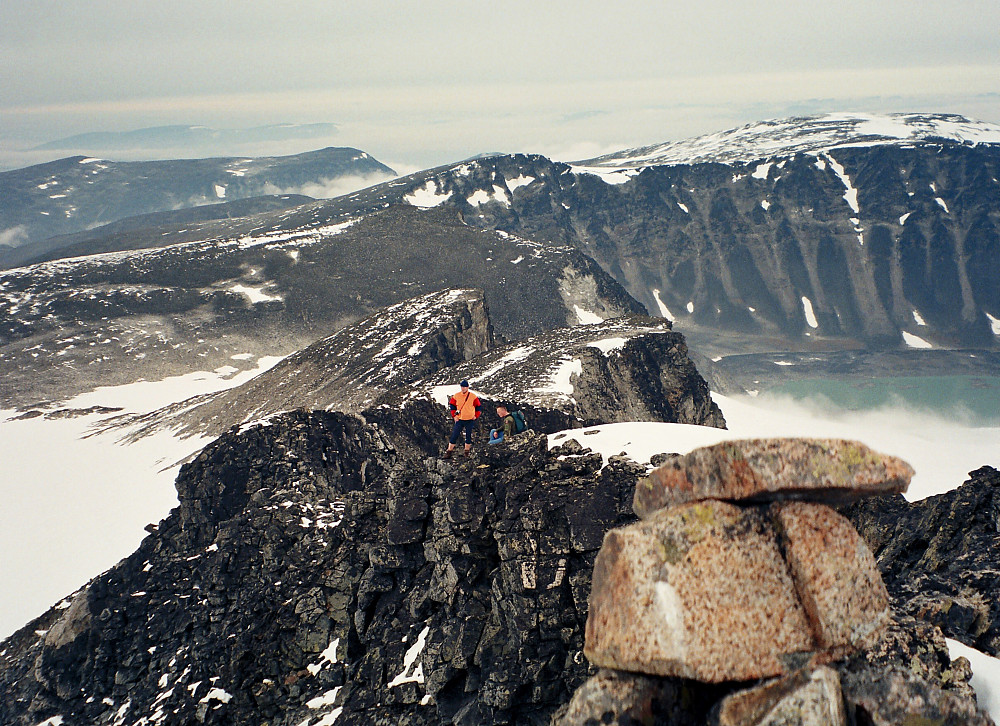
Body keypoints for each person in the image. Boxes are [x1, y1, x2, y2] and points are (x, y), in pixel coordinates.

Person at [443, 380, 481, 458]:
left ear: (467, 387)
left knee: (468, 436)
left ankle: (466, 452)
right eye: (462, 387)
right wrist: (454, 415)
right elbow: (452, 405)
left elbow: (478, 406)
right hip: (460, 419)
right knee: (455, 435)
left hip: (469, 419)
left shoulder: (473, 396)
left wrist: (476, 415)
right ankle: (449, 451)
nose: (463, 388)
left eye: (464, 387)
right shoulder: (456, 396)